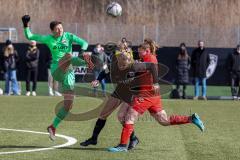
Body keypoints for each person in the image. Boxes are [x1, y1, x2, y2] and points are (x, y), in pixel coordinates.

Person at [107, 43, 204, 153]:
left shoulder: (146, 60)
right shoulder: (141, 59)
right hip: (151, 95)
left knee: (129, 117)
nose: (138, 53)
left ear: (147, 50)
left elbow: (151, 67)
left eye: (140, 51)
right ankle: (191, 119)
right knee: (164, 121)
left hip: (146, 95)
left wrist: (155, 82)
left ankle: (123, 145)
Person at [22, 15, 94, 140]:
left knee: (68, 106)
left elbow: (84, 43)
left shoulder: (69, 36)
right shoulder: (48, 39)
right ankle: (85, 62)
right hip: (57, 68)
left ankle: (53, 126)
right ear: (52, 31)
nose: (60, 30)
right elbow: (30, 36)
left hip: (69, 73)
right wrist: (25, 24)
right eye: (57, 29)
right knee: (68, 56)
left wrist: (82, 51)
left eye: (61, 28)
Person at [80, 42, 140, 150]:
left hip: (131, 93)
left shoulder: (133, 65)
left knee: (122, 117)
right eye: (118, 53)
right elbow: (104, 72)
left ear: (128, 55)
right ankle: (94, 138)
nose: (119, 56)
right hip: (120, 91)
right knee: (103, 114)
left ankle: (133, 138)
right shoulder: (114, 63)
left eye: (122, 53)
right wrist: (97, 80)